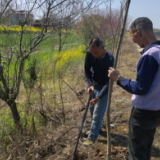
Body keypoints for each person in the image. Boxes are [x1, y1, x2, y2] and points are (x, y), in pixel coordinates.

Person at [108, 17, 160, 160]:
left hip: (143, 113)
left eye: (133, 37)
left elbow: (141, 88)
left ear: (138, 31)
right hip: (156, 111)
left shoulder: (150, 55)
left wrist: (119, 79)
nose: (134, 42)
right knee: (145, 149)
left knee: (136, 155)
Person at [84, 38, 114, 145]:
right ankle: (97, 129)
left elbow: (108, 82)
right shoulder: (90, 54)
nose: (93, 54)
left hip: (104, 88)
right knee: (92, 111)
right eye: (92, 52)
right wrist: (90, 85)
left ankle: (91, 138)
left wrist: (99, 97)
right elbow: (87, 71)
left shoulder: (109, 59)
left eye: (96, 52)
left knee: (97, 114)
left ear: (102, 48)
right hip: (94, 85)